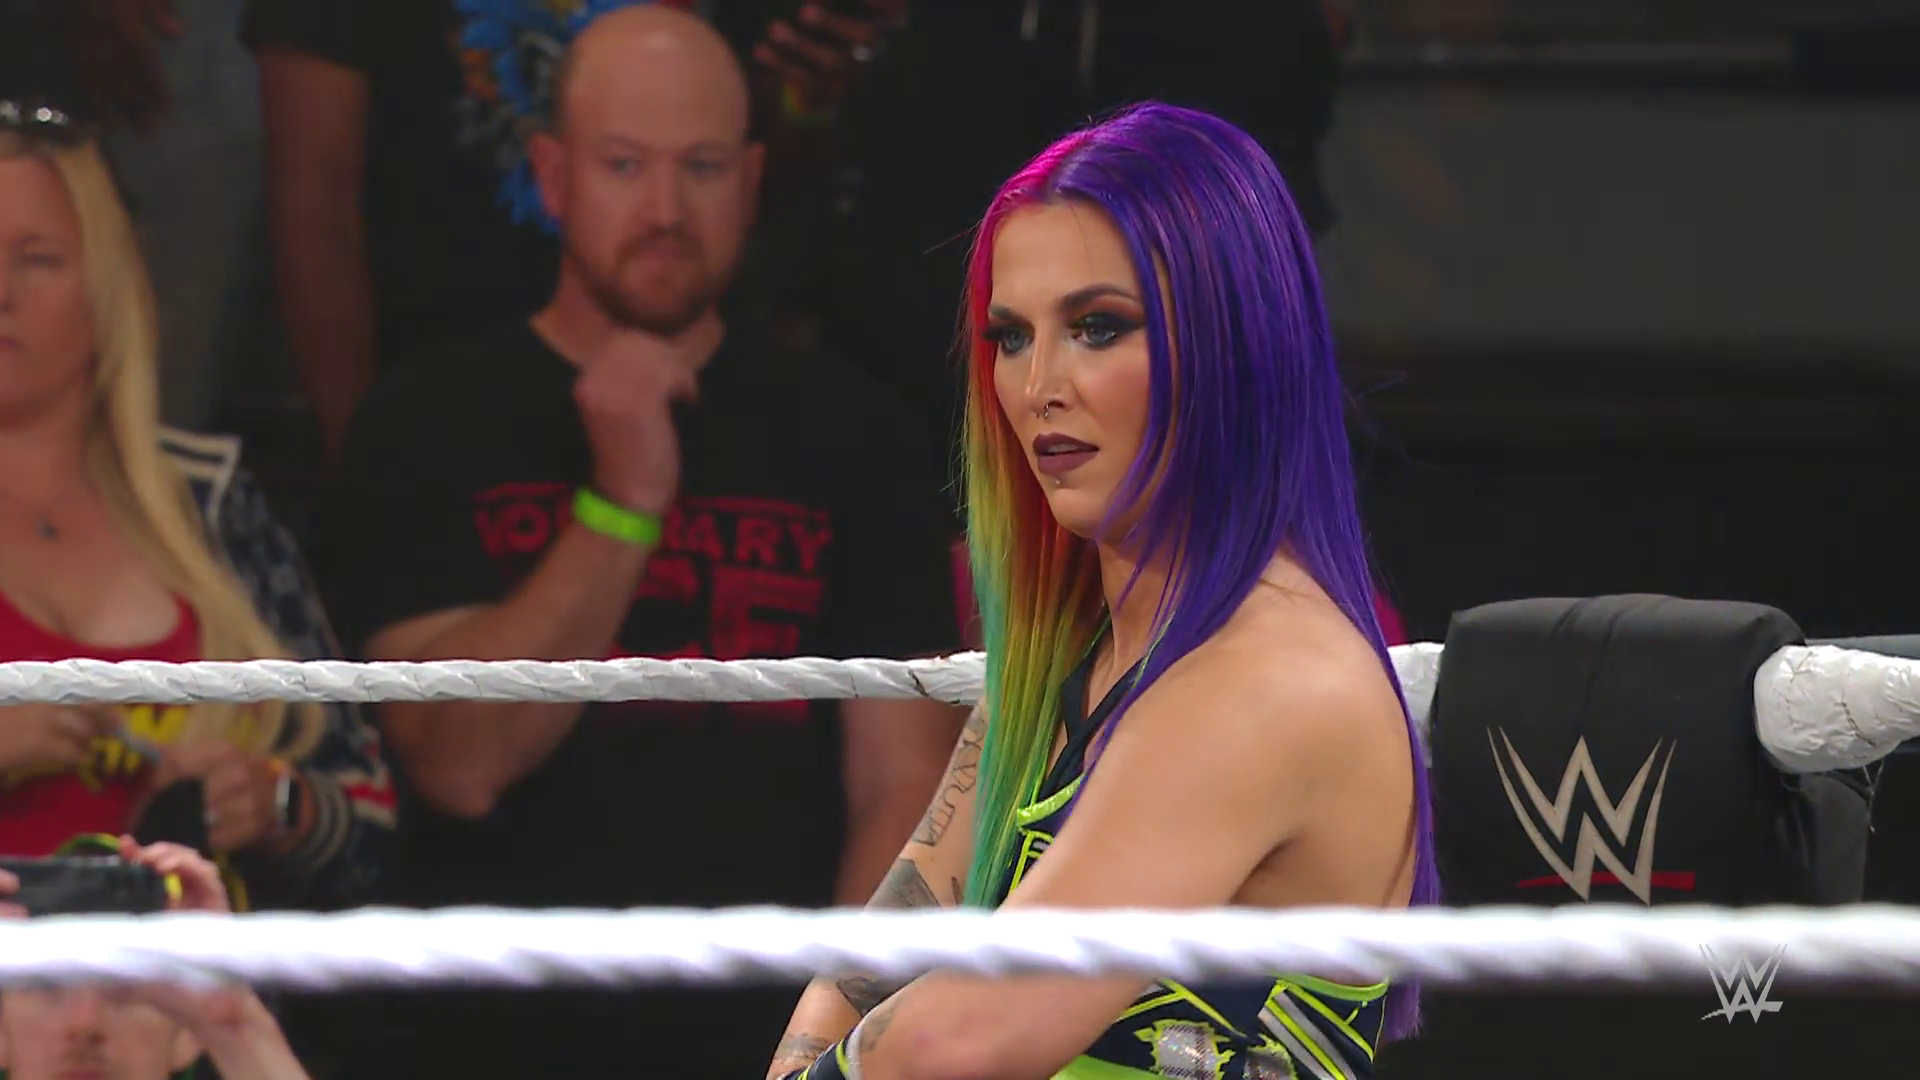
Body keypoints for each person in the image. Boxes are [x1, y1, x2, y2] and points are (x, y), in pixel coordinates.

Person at [322, 7, 963, 1078]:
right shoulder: (424, 420)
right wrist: (624, 503)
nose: (665, 210)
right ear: (552, 174)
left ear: (751, 182)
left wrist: (823, 1052)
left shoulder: (854, 433)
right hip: (474, 1043)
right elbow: (458, 762)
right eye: (624, 165)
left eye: (702, 168)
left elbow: (904, 796)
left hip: (765, 1044)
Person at [766, 103, 1439, 1080]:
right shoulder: (1065, 658)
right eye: (1011, 337)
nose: (1040, 384)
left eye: (1097, 327)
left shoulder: (1269, 680)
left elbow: (956, 1039)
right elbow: (890, 948)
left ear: (1232, 344)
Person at [0, 77, 394, 911]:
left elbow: (371, 827)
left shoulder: (210, 506)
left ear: (106, 287)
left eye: (37, 259)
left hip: (191, 984)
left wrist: (278, 803)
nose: (1, 293)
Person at [239, 0, 900, 459]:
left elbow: (772, 178)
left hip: (706, 392)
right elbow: (315, 205)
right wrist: (362, 456)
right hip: (439, 390)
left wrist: (808, 104)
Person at [0, 838, 312, 1080]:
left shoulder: (222, 1022)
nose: (85, 1023)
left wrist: (234, 1025)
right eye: (48, 985)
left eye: (125, 989)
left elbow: (226, 1018)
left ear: (187, 1035)